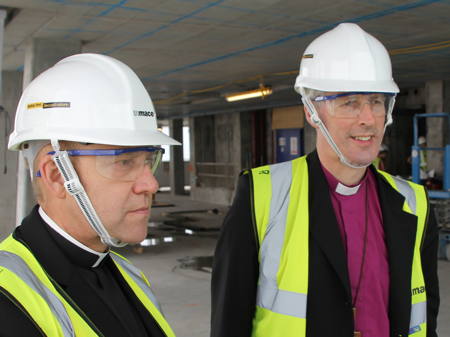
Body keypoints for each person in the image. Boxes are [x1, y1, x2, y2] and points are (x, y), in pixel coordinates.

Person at [211, 23, 439, 337]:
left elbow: (427, 313)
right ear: (311, 111)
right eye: (349, 102)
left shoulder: (413, 203)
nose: (368, 119)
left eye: (376, 101)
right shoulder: (261, 195)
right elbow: (229, 319)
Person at [0, 53, 180, 337]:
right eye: (124, 161)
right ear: (57, 175)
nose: (151, 184)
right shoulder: (7, 298)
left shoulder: (128, 273)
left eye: (149, 160)